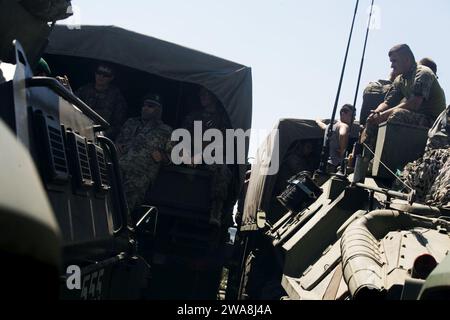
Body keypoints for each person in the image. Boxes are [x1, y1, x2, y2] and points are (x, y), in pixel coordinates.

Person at [361, 44, 446, 151]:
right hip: (417, 117)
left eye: (394, 61)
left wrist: (384, 115)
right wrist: (377, 113)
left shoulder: (423, 73)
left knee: (397, 115)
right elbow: (388, 102)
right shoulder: (400, 79)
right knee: (372, 120)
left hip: (434, 122)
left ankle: (389, 156)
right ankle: (368, 158)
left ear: (406, 60)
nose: (392, 66)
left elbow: (414, 103)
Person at [181, 87, 232, 227]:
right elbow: (181, 137)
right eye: (201, 94)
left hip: (210, 158)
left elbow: (223, 144)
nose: (202, 97)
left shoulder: (222, 119)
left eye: (206, 94)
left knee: (222, 168)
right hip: (189, 157)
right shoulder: (193, 116)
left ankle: (216, 211)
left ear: (214, 97)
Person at [116, 93, 172, 212]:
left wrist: (162, 157)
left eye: (150, 106)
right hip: (118, 170)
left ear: (158, 110)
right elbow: (117, 142)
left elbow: (172, 157)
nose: (145, 108)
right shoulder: (131, 122)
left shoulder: (166, 131)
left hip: (139, 177)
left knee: (126, 210)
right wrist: (118, 146)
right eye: (144, 105)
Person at [76, 63, 127, 140]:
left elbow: (118, 124)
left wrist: (102, 135)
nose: (101, 77)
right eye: (99, 73)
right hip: (78, 129)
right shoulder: (84, 90)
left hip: (99, 137)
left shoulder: (116, 97)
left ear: (111, 78)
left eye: (106, 75)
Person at [316, 104, 354, 172]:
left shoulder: (330, 126)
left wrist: (318, 121)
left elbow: (323, 126)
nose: (354, 118)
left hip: (325, 164)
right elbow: (342, 134)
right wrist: (342, 151)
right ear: (343, 113)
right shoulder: (344, 126)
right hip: (335, 166)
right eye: (351, 115)